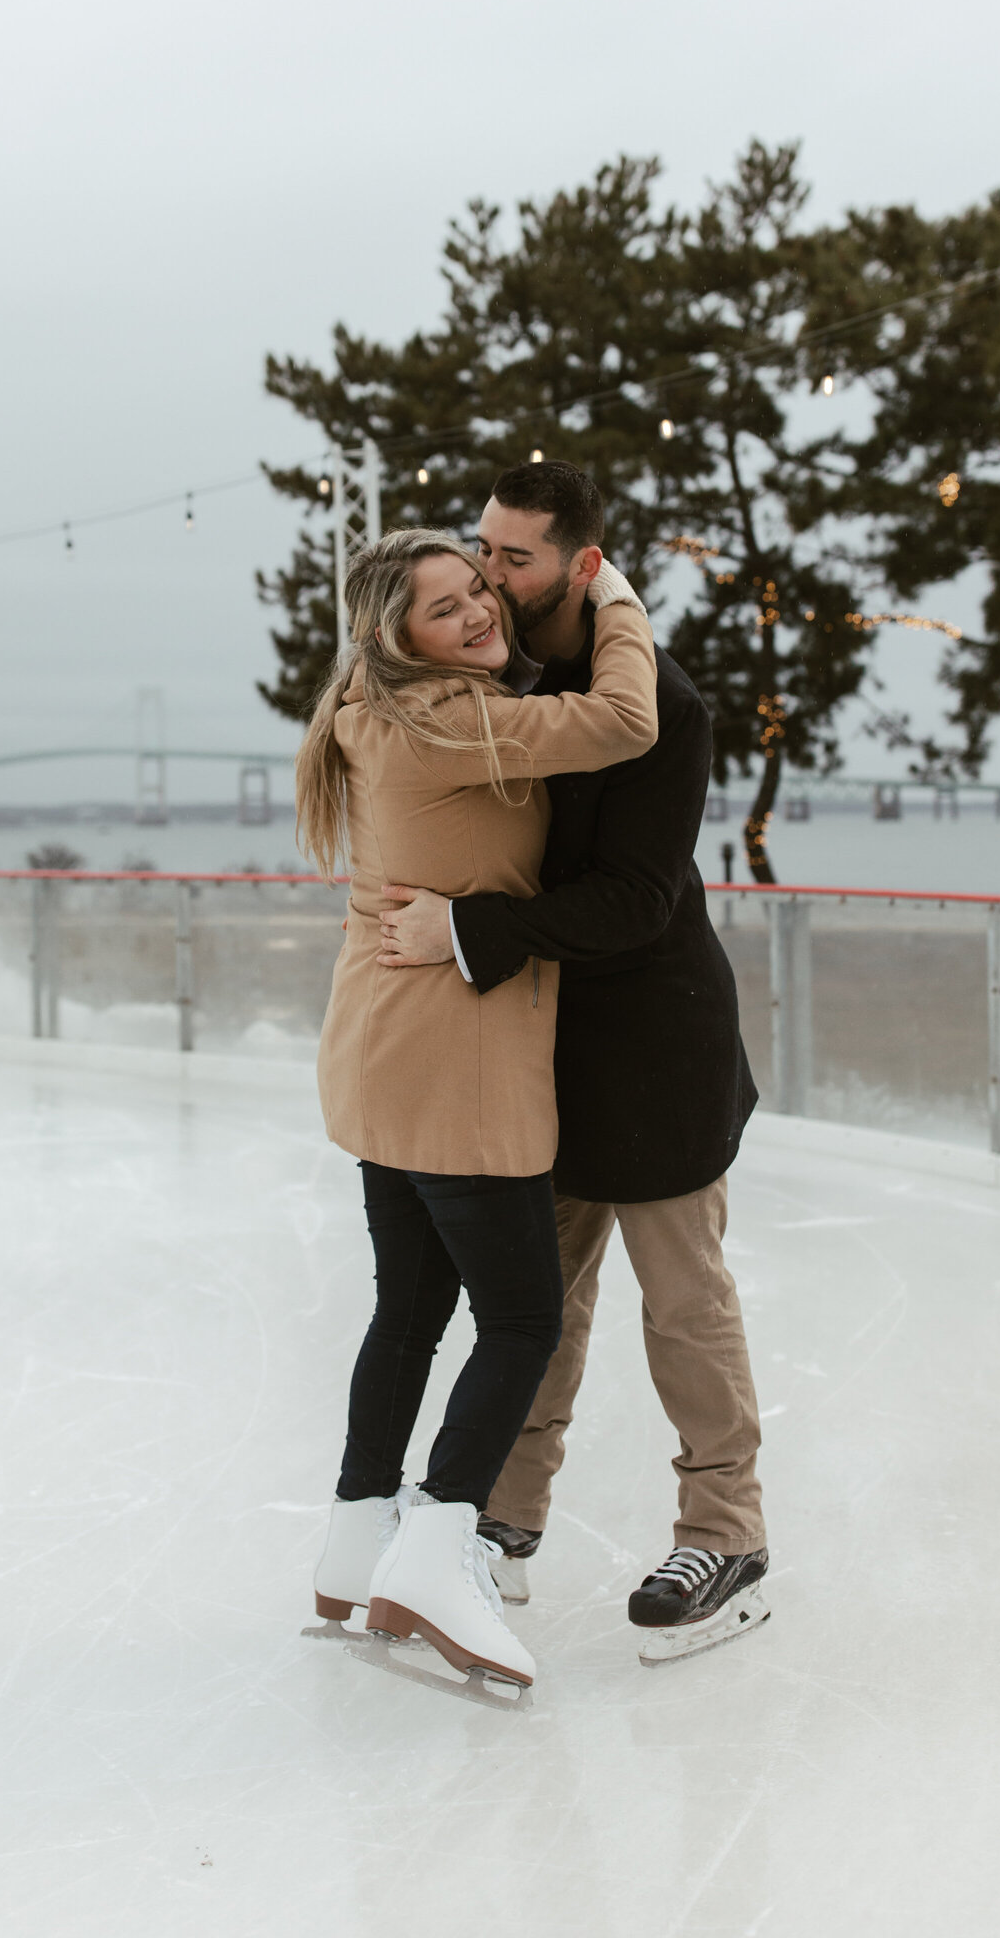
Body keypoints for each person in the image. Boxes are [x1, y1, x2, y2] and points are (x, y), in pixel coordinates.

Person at [377, 461, 769, 1662]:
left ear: (581, 567)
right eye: (481, 553)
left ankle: (728, 1533)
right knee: (537, 1304)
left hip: (654, 1045)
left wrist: (467, 930)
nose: (490, 579)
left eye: (515, 559)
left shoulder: (663, 706)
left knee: (680, 1302)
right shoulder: (512, 679)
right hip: (541, 1047)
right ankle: (503, 1526)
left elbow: (638, 900)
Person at [298, 525, 658, 1688]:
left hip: (380, 1043)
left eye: (476, 592)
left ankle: (358, 1537)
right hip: (453, 1052)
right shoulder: (446, 718)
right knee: (520, 1320)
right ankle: (440, 1544)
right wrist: (617, 602)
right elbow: (622, 722)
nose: (475, 616)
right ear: (396, 642)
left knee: (408, 1307)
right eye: (443, 609)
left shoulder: (369, 706)